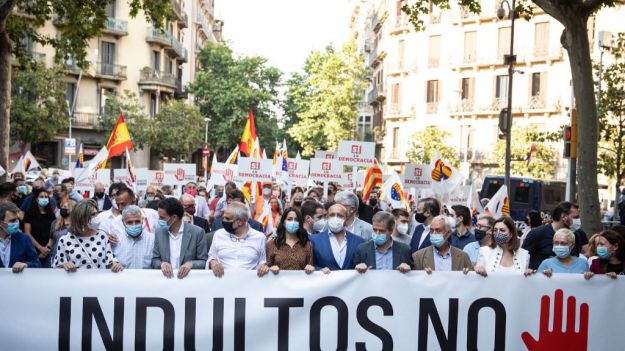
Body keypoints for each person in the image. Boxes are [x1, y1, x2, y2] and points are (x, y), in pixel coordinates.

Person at [53, 199, 123, 272]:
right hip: (75, 282)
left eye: (96, 213)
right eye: (92, 214)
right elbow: (57, 266)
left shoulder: (102, 236)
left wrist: (115, 265)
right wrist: (65, 265)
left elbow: (110, 260)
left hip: (99, 281)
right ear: (81, 218)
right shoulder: (65, 240)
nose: (96, 217)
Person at [207, 202, 269, 277]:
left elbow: (263, 261)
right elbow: (211, 257)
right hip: (222, 283)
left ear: (240, 221)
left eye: (227, 218)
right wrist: (212, 262)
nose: (223, 221)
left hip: (249, 284)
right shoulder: (218, 235)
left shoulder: (260, 237)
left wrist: (263, 267)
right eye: (224, 217)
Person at [152, 198, 208, 279]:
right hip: (166, 280)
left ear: (174, 217)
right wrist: (162, 264)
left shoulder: (197, 232)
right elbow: (154, 260)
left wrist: (191, 264)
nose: (159, 220)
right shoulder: (159, 233)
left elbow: (203, 261)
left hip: (188, 281)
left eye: (162, 217)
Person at [522, 202, 581, 270]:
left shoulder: (575, 235)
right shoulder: (538, 233)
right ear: (564, 216)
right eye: (575, 217)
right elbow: (522, 259)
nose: (578, 220)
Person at [309, 203, 365, 273]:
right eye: (332, 215)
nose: (335, 218)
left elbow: (363, 265)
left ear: (346, 219)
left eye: (340, 215)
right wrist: (319, 270)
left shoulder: (359, 241)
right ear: (327, 217)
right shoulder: (314, 240)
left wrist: (363, 266)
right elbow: (309, 266)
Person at [266, 207, 314, 274]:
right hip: (278, 283)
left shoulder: (307, 244)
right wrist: (270, 268)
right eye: (289, 219)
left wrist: (310, 268)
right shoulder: (272, 244)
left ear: (300, 223)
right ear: (283, 222)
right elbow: (266, 266)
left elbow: (311, 266)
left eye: (296, 220)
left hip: (301, 283)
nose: (293, 222)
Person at [0, 201, 40, 272]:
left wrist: (25, 264)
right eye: (12, 220)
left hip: (17, 282)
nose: (16, 223)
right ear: (1, 223)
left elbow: (37, 263)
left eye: (17, 219)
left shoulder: (24, 239)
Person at [23, 188, 57, 267]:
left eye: (46, 197)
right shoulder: (29, 213)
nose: (44, 199)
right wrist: (40, 248)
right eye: (41, 197)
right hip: (33, 249)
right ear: (36, 199)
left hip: (48, 251)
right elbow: (27, 233)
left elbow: (53, 233)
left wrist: (47, 248)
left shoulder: (51, 214)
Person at [49, 199, 76, 264]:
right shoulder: (55, 223)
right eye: (62, 207)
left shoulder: (76, 225)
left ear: (71, 210)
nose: (62, 209)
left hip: (70, 259)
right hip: (55, 256)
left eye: (65, 207)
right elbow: (51, 240)